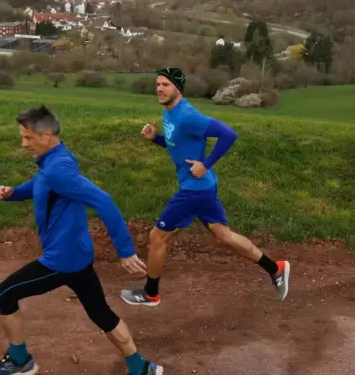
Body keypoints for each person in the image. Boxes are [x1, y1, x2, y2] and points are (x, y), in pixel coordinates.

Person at [0, 105, 163, 375]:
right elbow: (39, 185)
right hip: (78, 255)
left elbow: (104, 200)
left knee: (3, 296)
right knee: (101, 314)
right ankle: (141, 367)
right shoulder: (54, 162)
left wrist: (125, 251)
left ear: (46, 134)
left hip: (61, 260)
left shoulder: (58, 169)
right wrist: (12, 193)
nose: (23, 144)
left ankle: (20, 362)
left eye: (28, 138)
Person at [120, 67, 290, 308]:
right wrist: (155, 139)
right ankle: (276, 269)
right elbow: (178, 145)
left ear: (177, 88)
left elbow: (228, 134)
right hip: (203, 187)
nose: (159, 88)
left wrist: (206, 164)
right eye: (157, 84)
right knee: (224, 236)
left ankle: (151, 293)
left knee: (158, 236)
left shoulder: (188, 116)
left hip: (194, 189)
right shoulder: (170, 111)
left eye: (165, 85)